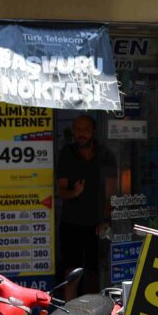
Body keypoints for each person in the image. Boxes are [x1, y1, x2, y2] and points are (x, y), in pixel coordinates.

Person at [55, 115, 117, 299]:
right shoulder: (67, 153)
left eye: (86, 129)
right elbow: (61, 190)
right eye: (78, 129)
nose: (81, 133)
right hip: (71, 222)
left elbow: (111, 194)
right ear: (73, 131)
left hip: (96, 225)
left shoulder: (105, 155)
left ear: (94, 131)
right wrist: (74, 193)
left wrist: (106, 220)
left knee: (93, 273)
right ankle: (68, 313)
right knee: (71, 271)